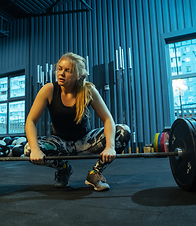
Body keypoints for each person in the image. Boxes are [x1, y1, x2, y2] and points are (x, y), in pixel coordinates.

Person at [24, 52, 131, 191]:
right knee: (28, 149)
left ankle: (94, 173)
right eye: (60, 68)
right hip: (60, 143)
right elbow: (31, 121)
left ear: (78, 75)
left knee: (124, 131)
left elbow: (108, 119)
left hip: (85, 141)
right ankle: (64, 169)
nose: (61, 73)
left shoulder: (88, 90)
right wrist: (36, 151)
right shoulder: (49, 89)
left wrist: (110, 146)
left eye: (67, 71)